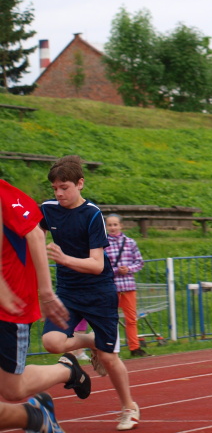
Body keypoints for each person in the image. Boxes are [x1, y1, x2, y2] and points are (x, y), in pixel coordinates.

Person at [39, 156, 141, 431]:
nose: (59, 193)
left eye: (64, 187)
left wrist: (63, 258)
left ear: (80, 184)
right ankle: (90, 341)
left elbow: (96, 265)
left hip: (99, 292)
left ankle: (129, 406)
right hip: (68, 291)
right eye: (55, 188)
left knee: (109, 358)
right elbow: (31, 232)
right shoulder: (47, 209)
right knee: (51, 342)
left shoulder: (93, 214)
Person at [1, 179, 92, 432]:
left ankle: (66, 371)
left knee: (12, 389)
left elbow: (35, 232)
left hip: (11, 306)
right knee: (10, 388)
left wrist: (46, 293)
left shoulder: (5, 194)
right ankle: (36, 414)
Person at [104, 214, 149, 358]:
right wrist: (116, 270)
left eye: (115, 224)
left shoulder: (130, 242)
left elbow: (139, 262)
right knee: (110, 319)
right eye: (110, 225)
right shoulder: (103, 244)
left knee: (131, 319)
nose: (112, 228)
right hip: (111, 286)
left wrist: (128, 269)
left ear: (121, 226)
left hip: (128, 286)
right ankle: (111, 348)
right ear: (106, 226)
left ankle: (134, 347)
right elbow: (101, 266)